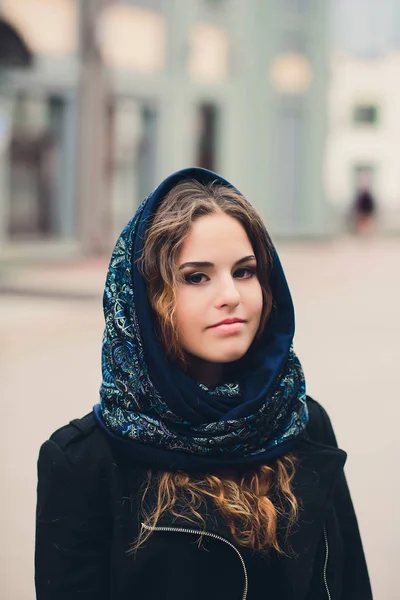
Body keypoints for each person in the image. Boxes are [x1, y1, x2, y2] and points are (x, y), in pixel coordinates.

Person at [35, 168, 372, 600]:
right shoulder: (83, 461)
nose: (230, 294)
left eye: (245, 271)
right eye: (197, 276)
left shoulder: (302, 421)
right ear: (146, 299)